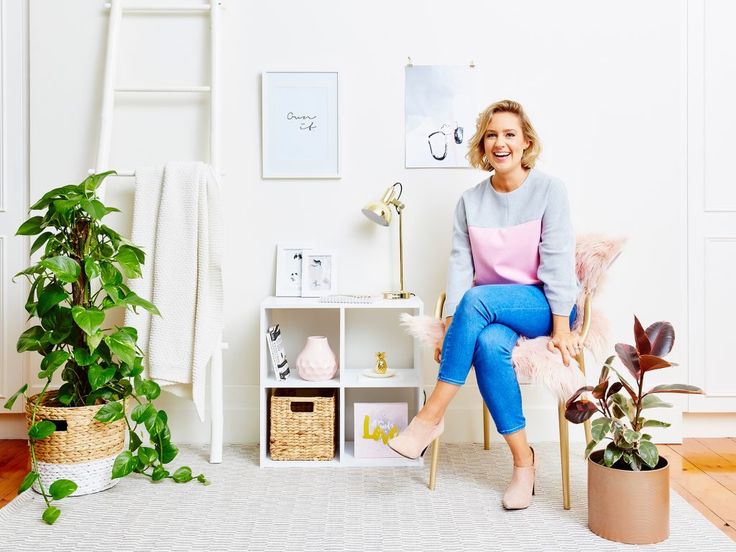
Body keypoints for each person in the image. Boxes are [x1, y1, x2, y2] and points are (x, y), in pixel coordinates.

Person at [388, 99, 582, 510]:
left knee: (477, 300)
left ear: (526, 141)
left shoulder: (550, 190)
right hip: (493, 311)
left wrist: (563, 327)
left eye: (510, 134)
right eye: (492, 134)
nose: (500, 143)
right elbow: (461, 266)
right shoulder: (469, 202)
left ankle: (429, 418)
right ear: (482, 143)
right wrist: (449, 326)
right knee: (489, 347)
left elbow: (559, 261)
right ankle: (524, 462)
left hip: (546, 304)